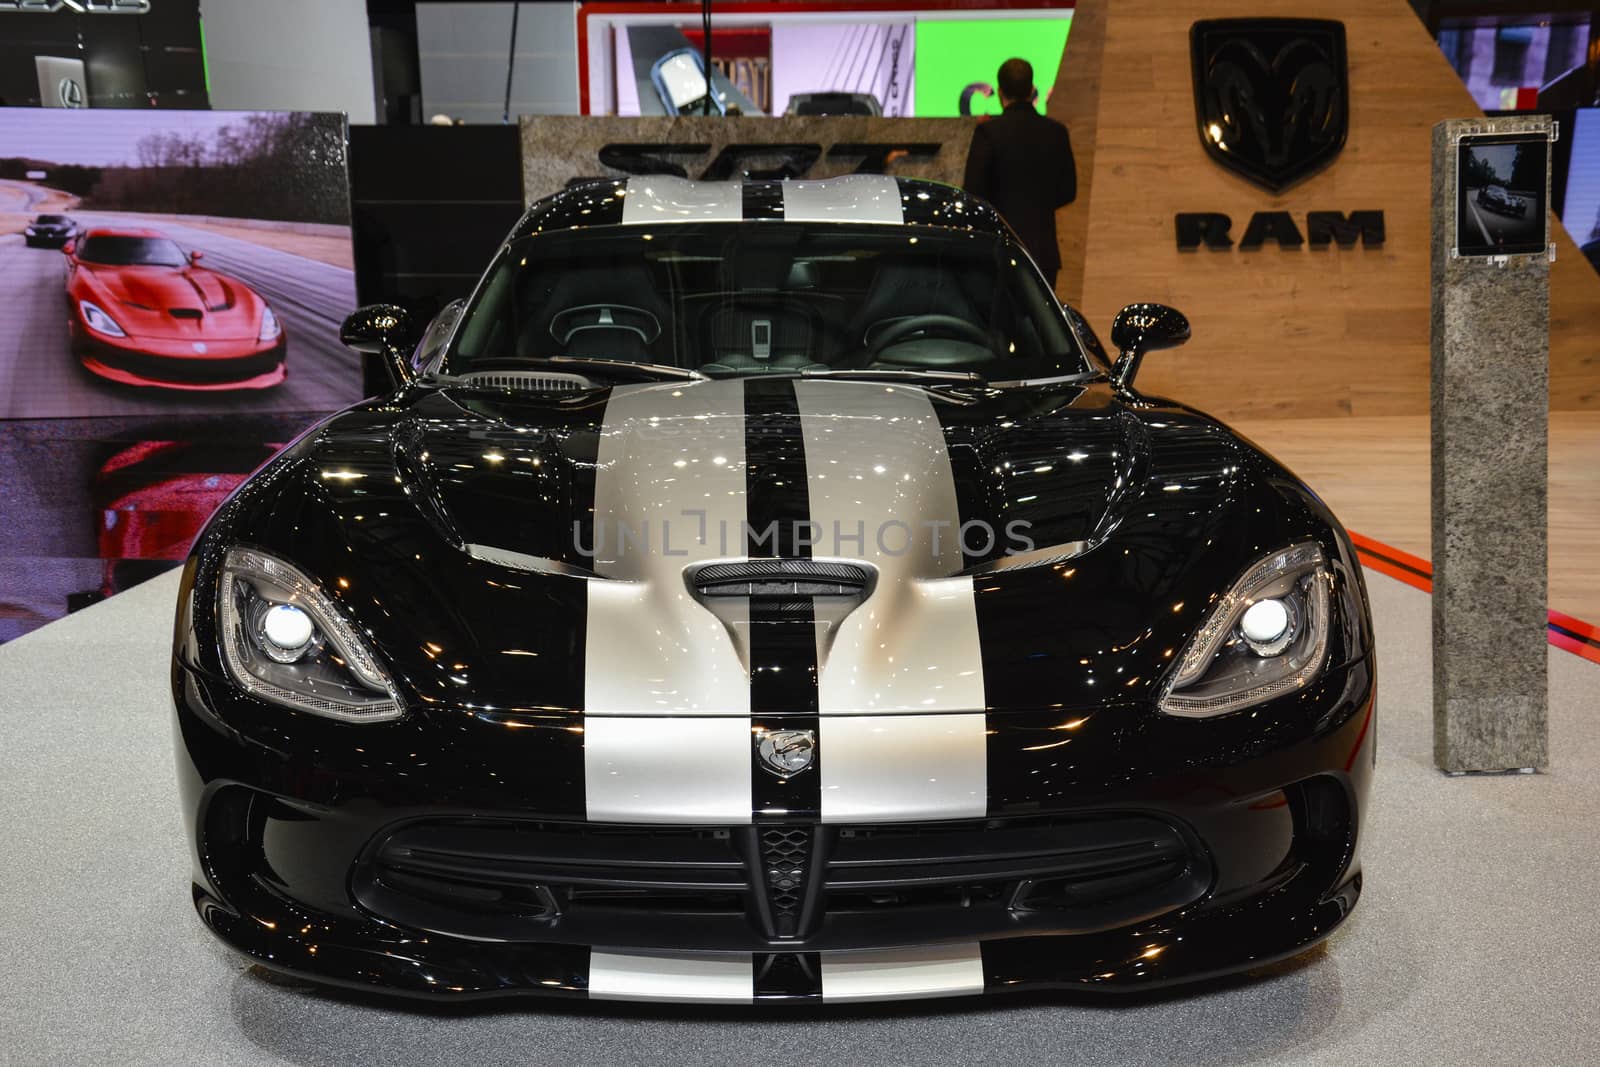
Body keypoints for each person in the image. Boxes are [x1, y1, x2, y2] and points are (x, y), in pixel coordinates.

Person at [962, 58, 1077, 291]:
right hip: (1043, 253)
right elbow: (1068, 191)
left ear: (1000, 92)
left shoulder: (988, 133)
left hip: (999, 250)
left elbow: (974, 193)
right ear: (1032, 90)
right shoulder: (1056, 132)